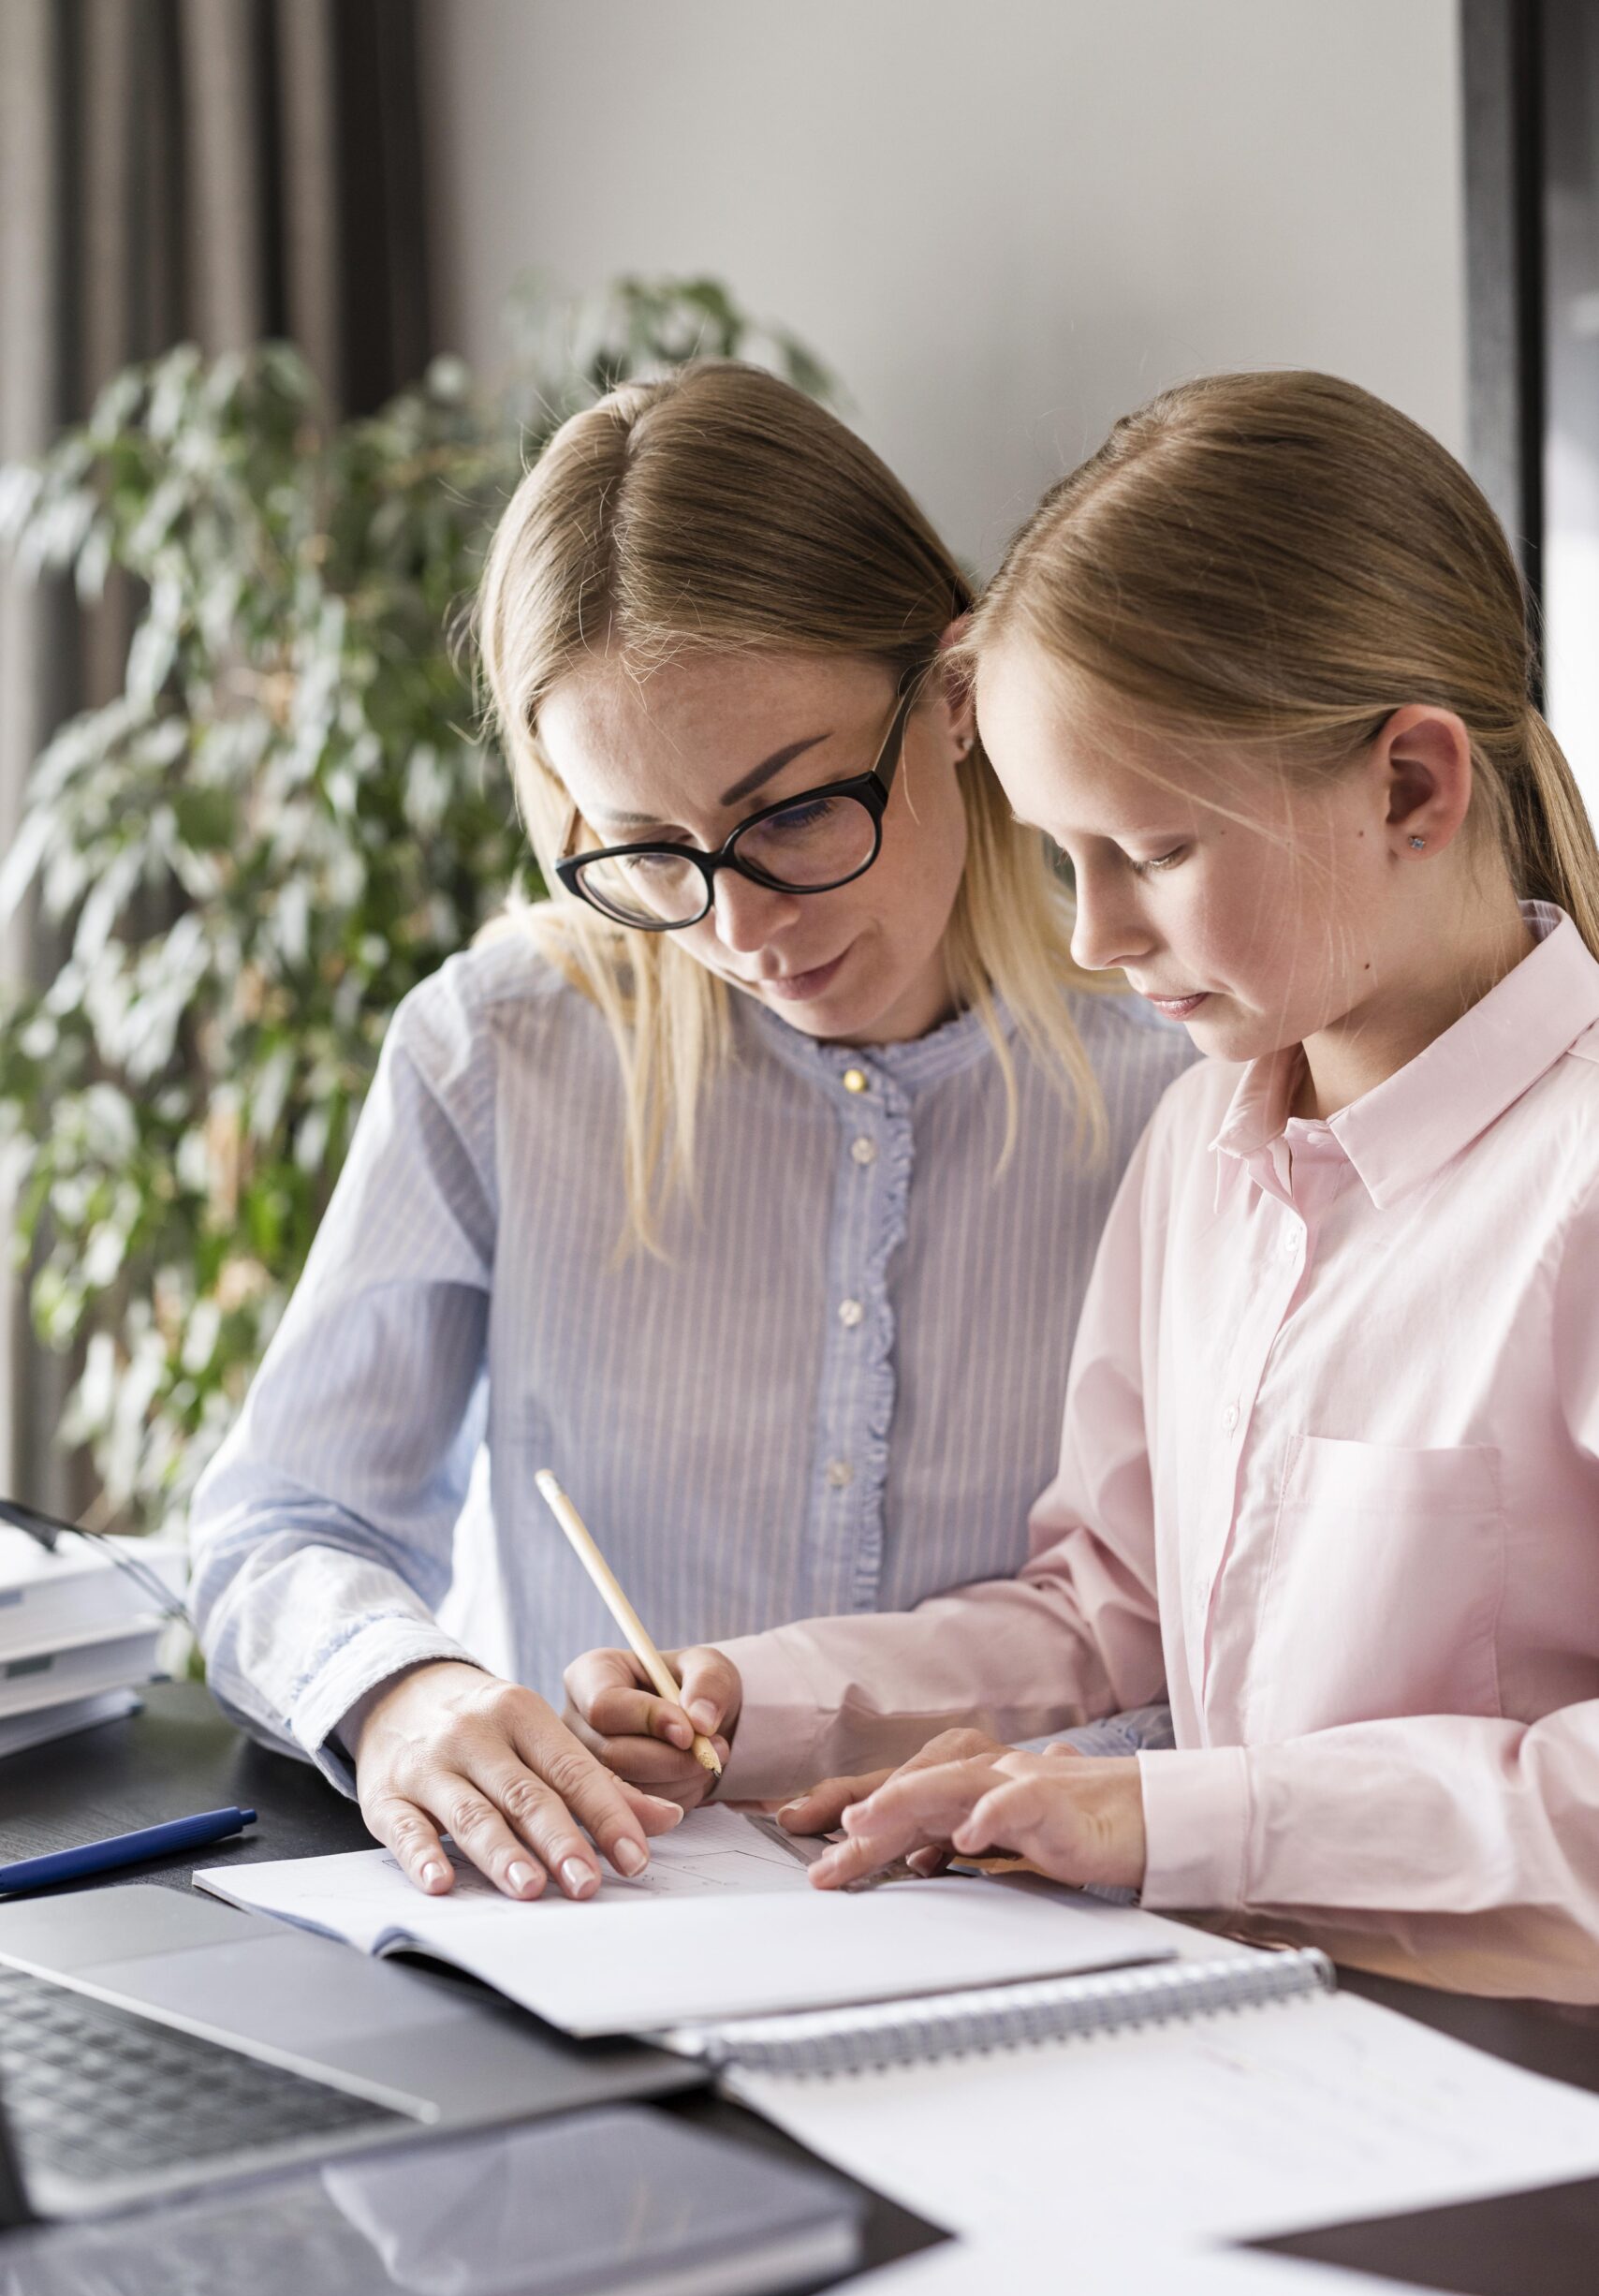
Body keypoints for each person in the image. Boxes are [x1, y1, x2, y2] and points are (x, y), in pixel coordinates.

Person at [571, 371, 1599, 2000]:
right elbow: (1107, 1621)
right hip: (1235, 2046)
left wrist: (1183, 1818)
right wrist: (746, 1704)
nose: (1089, 939)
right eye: (1061, 857)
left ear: (1412, 785)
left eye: (1156, 854)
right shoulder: (1202, 1153)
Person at [186, 361, 1187, 1906]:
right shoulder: (505, 1046)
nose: (737, 926)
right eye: (648, 849)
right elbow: (284, 1522)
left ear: (960, 693)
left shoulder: (1181, 1076)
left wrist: (1099, 1768)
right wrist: (404, 1696)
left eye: (791, 812)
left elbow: (1206, 1636)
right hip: (596, 1939)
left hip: (1035, 1935)